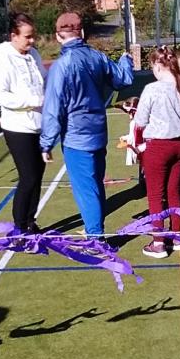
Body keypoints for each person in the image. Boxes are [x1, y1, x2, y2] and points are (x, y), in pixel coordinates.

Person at [40, 12, 134, 238]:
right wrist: (125, 60)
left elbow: (53, 107)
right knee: (95, 183)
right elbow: (123, 79)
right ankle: (94, 229)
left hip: (76, 136)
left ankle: (95, 237)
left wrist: (46, 143)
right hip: (98, 132)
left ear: (58, 36)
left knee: (86, 189)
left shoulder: (61, 66)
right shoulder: (97, 57)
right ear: (81, 32)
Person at [0, 13, 47, 241]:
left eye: (33, 36)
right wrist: (32, 101)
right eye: (27, 37)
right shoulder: (3, 60)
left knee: (38, 174)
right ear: (13, 36)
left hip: (39, 125)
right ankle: (19, 226)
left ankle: (31, 221)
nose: (32, 41)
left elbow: (43, 79)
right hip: (17, 127)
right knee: (28, 176)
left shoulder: (34, 55)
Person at [132, 46, 180, 258]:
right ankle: (177, 237)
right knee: (173, 192)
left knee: (155, 195)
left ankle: (158, 243)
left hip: (158, 146)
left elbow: (140, 120)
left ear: (158, 66)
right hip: (179, 145)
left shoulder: (152, 89)